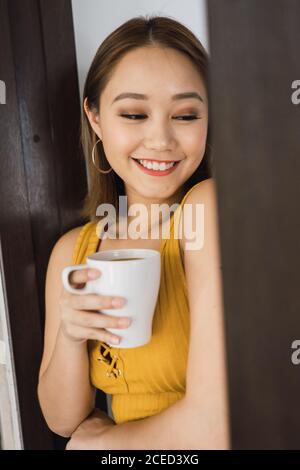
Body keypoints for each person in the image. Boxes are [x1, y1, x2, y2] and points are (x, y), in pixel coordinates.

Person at [37, 14, 230, 450]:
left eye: (185, 114)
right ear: (96, 118)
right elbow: (63, 420)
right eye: (134, 113)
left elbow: (216, 433)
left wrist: (99, 447)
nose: (160, 139)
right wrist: (70, 335)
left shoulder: (209, 211)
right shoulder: (74, 250)